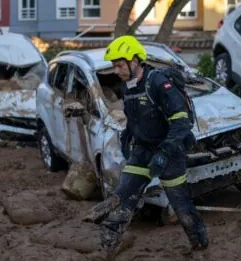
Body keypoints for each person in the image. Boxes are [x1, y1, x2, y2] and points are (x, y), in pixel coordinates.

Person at [83, 35, 208, 259]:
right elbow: (134, 118)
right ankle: (106, 249)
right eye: (114, 66)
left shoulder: (158, 82)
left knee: (180, 205)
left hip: (169, 152)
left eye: (120, 65)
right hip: (142, 150)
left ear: (135, 61)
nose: (116, 70)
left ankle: (200, 243)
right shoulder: (128, 87)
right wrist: (127, 137)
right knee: (124, 196)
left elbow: (182, 123)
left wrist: (165, 152)